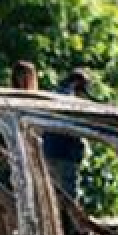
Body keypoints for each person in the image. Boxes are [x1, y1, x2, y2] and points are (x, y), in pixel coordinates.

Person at [43, 68, 93, 196]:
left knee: (51, 195)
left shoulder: (53, 95)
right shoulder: (71, 100)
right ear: (77, 84)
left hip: (48, 152)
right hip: (66, 155)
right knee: (69, 197)